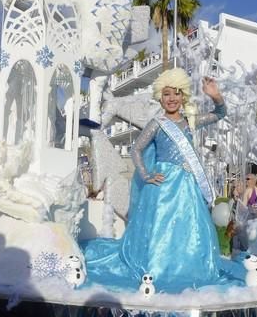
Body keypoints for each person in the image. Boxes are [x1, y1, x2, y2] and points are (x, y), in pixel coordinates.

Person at [83, 68, 229, 292]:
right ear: (160, 96)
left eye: (176, 93)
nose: (171, 99)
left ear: (184, 96)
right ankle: (159, 268)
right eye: (167, 94)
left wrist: (215, 95)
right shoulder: (156, 123)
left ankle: (186, 267)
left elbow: (220, 113)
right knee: (160, 229)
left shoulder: (191, 121)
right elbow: (136, 150)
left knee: (187, 229)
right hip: (162, 185)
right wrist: (145, 174)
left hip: (187, 186)